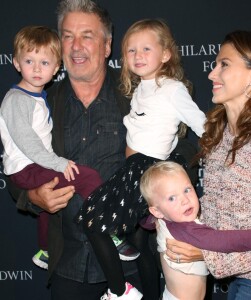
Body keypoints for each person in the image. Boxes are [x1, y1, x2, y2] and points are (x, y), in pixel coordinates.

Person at [7, 1, 150, 299]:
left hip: (128, 268)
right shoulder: (42, 103)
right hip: (67, 266)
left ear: (107, 45)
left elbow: (182, 148)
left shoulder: (136, 94)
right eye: (67, 36)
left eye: (87, 35)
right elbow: (16, 169)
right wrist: (33, 198)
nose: (76, 46)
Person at [77, 19, 206, 299]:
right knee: (141, 245)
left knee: (91, 219)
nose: (138, 56)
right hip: (135, 170)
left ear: (166, 54)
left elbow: (202, 125)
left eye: (146, 48)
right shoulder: (141, 88)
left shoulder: (172, 88)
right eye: (131, 51)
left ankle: (119, 292)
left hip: (142, 170)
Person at [165, 30, 251, 300]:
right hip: (242, 276)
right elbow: (217, 207)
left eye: (224, 65)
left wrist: (208, 255)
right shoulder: (222, 134)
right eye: (215, 64)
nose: (212, 74)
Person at [0, 25, 102, 270]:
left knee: (49, 205)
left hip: (33, 166)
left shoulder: (38, 97)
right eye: (29, 61)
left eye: (44, 63)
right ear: (16, 63)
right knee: (87, 177)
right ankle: (108, 226)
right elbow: (27, 141)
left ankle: (45, 251)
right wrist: (58, 163)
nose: (36, 69)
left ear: (56, 68)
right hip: (27, 167)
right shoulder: (17, 100)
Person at [139, 161, 251, 300]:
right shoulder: (186, 229)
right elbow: (224, 241)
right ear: (156, 211)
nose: (184, 200)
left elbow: (147, 222)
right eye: (172, 198)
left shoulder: (163, 220)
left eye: (187, 190)